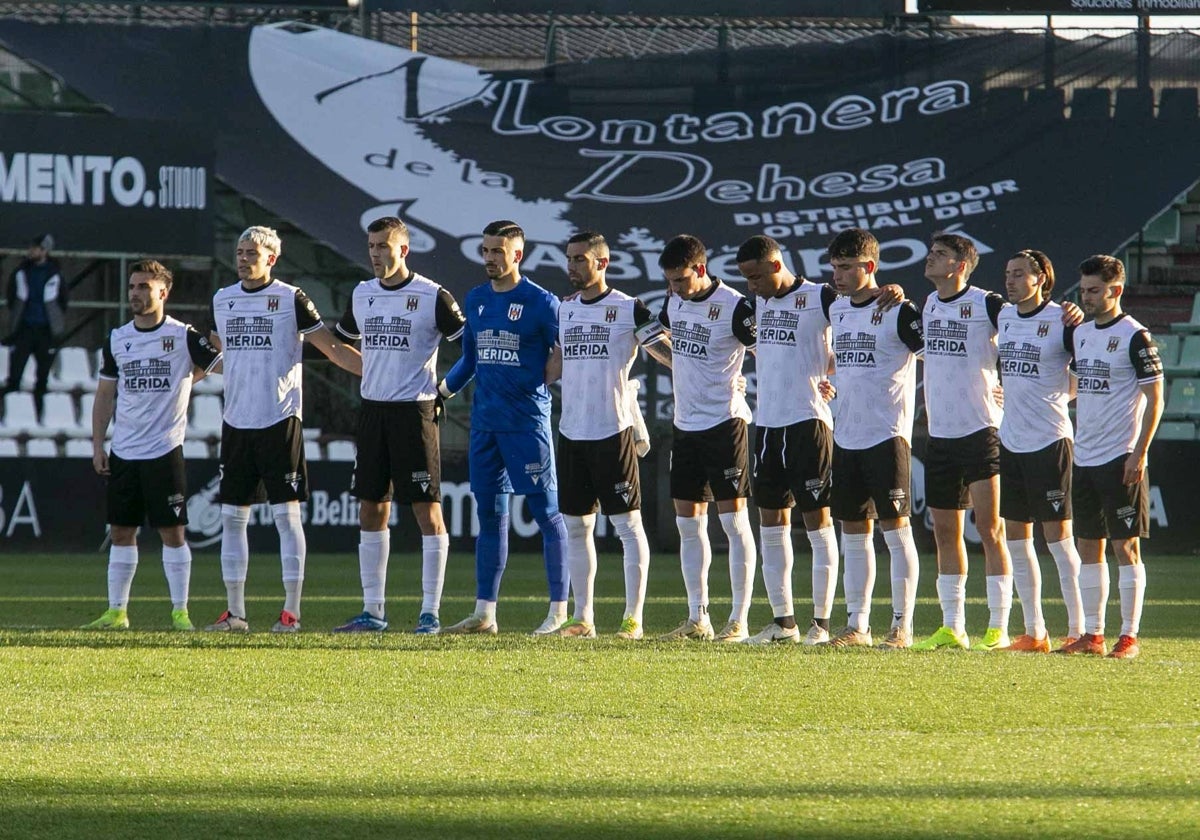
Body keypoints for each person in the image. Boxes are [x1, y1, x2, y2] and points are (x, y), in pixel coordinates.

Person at [206, 226, 362, 633]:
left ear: (271, 258)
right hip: (236, 422)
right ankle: (235, 613)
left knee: (286, 518)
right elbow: (221, 354)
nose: (243, 259)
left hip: (279, 420)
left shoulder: (292, 299)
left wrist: (378, 371)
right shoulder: (223, 300)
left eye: (251, 253)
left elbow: (330, 348)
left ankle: (291, 613)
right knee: (232, 519)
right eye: (239, 252)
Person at [331, 216, 465, 634]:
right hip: (373, 411)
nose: (375, 254)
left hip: (415, 412)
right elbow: (341, 342)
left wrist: (444, 391)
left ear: (403, 250)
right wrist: (370, 373)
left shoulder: (432, 296)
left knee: (427, 510)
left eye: (383, 246)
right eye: (371, 246)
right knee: (371, 507)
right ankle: (373, 611)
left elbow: (472, 349)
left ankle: (431, 612)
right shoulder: (362, 294)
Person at [439, 220, 569, 635]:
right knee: (490, 515)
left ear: (518, 255)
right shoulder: (476, 299)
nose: (491, 258)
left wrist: (541, 381)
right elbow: (471, 360)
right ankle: (484, 614)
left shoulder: (542, 302)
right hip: (485, 426)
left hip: (527, 424)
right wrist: (441, 392)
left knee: (546, 514)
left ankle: (560, 612)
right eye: (486, 251)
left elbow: (564, 350)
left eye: (499, 251)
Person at [544, 231, 671, 640]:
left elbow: (665, 351)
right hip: (571, 432)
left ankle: (633, 620)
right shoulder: (565, 309)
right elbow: (556, 364)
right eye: (569, 258)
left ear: (602, 262)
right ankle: (584, 618)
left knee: (627, 527)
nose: (572, 266)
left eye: (580, 259)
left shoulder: (629, 308)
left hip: (612, 432)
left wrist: (709, 374)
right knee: (577, 527)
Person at [82, 260, 221, 630]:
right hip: (124, 452)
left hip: (164, 450)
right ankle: (117, 612)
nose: (135, 293)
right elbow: (105, 395)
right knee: (121, 531)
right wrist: (99, 445)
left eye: (144, 286)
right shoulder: (118, 338)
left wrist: (193, 375)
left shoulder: (182, 335)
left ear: (163, 292)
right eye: (132, 286)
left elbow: (220, 362)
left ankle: (180, 611)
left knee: (172, 533)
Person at [734, 235, 841, 645]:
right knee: (772, 524)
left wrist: (831, 376)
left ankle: (822, 624)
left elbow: (859, 332)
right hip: (767, 425)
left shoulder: (822, 297)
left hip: (808, 424)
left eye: (756, 276)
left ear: (777, 266)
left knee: (818, 521)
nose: (751, 285)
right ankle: (784, 623)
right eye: (745, 278)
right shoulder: (756, 302)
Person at [1056, 255, 1163, 659]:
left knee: (1126, 547)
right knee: (1089, 546)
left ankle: (1129, 636)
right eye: (1083, 290)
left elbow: (1156, 399)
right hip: (1084, 456)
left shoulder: (1137, 336)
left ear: (1115, 290)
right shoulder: (1081, 334)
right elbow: (1077, 387)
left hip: (1121, 457)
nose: (1087, 296)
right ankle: (1093, 634)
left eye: (1094, 290)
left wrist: (1139, 453)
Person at [824, 229, 926, 649]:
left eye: (847, 267)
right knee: (853, 530)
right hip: (846, 435)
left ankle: (902, 624)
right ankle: (857, 626)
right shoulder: (839, 311)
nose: (839, 275)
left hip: (887, 436)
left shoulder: (900, 310)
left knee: (896, 529)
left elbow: (935, 355)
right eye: (834, 267)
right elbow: (840, 361)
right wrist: (829, 380)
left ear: (870, 266)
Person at [912, 233, 1013, 652]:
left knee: (990, 530)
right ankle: (953, 626)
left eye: (940, 255)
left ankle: (999, 627)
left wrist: (1009, 387)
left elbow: (1027, 330)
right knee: (944, 534)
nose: (930, 258)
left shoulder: (988, 304)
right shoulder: (929, 304)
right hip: (940, 435)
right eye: (931, 252)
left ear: (960, 266)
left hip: (980, 431)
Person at [656, 234, 758, 643]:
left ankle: (739, 619)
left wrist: (818, 382)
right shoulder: (673, 301)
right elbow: (666, 345)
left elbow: (765, 350)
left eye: (680, 280)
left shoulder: (735, 306)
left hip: (725, 423)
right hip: (685, 425)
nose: (674, 289)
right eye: (669, 282)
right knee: (688, 523)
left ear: (700, 269)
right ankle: (698, 617)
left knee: (733, 522)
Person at [995, 250, 1086, 652]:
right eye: (1008, 274)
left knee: (1059, 538)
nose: (1010, 281)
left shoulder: (1064, 321)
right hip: (1011, 439)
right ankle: (1035, 631)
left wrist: (1059, 398)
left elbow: (1087, 373)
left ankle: (1081, 629)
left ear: (1041, 278)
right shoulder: (1005, 318)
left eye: (1019, 274)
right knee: (1017, 537)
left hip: (1050, 440)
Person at [3, 233, 67, 419]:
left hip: (45, 332)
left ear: (44, 250)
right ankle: (9, 414)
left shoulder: (55, 274)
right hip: (24, 329)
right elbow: (12, 297)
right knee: (14, 375)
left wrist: (54, 324)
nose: (30, 251)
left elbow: (62, 301)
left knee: (42, 378)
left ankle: (39, 416)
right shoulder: (21, 272)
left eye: (35, 248)